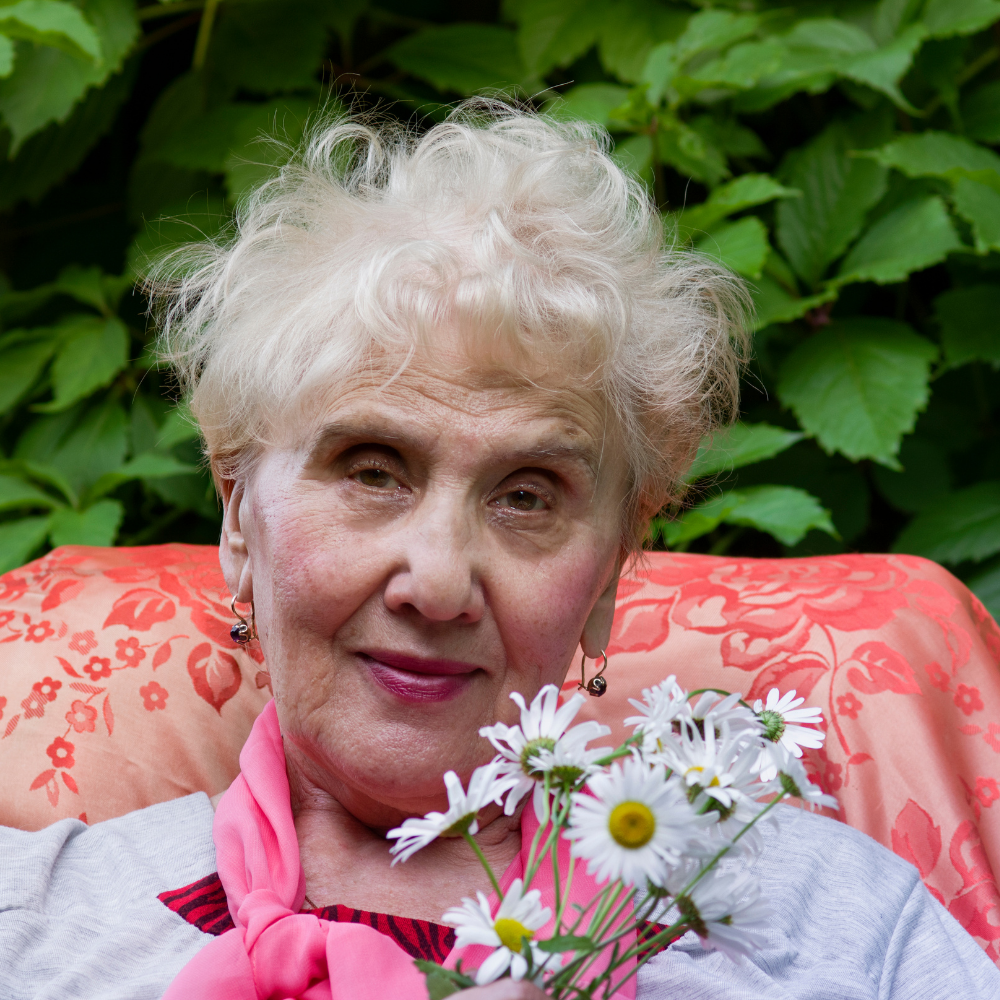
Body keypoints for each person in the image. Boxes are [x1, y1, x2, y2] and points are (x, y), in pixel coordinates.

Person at [1, 101, 997, 1000]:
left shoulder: (838, 926)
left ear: (609, 573)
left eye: (527, 496)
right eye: (373, 470)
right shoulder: (34, 925)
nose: (436, 582)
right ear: (236, 517)